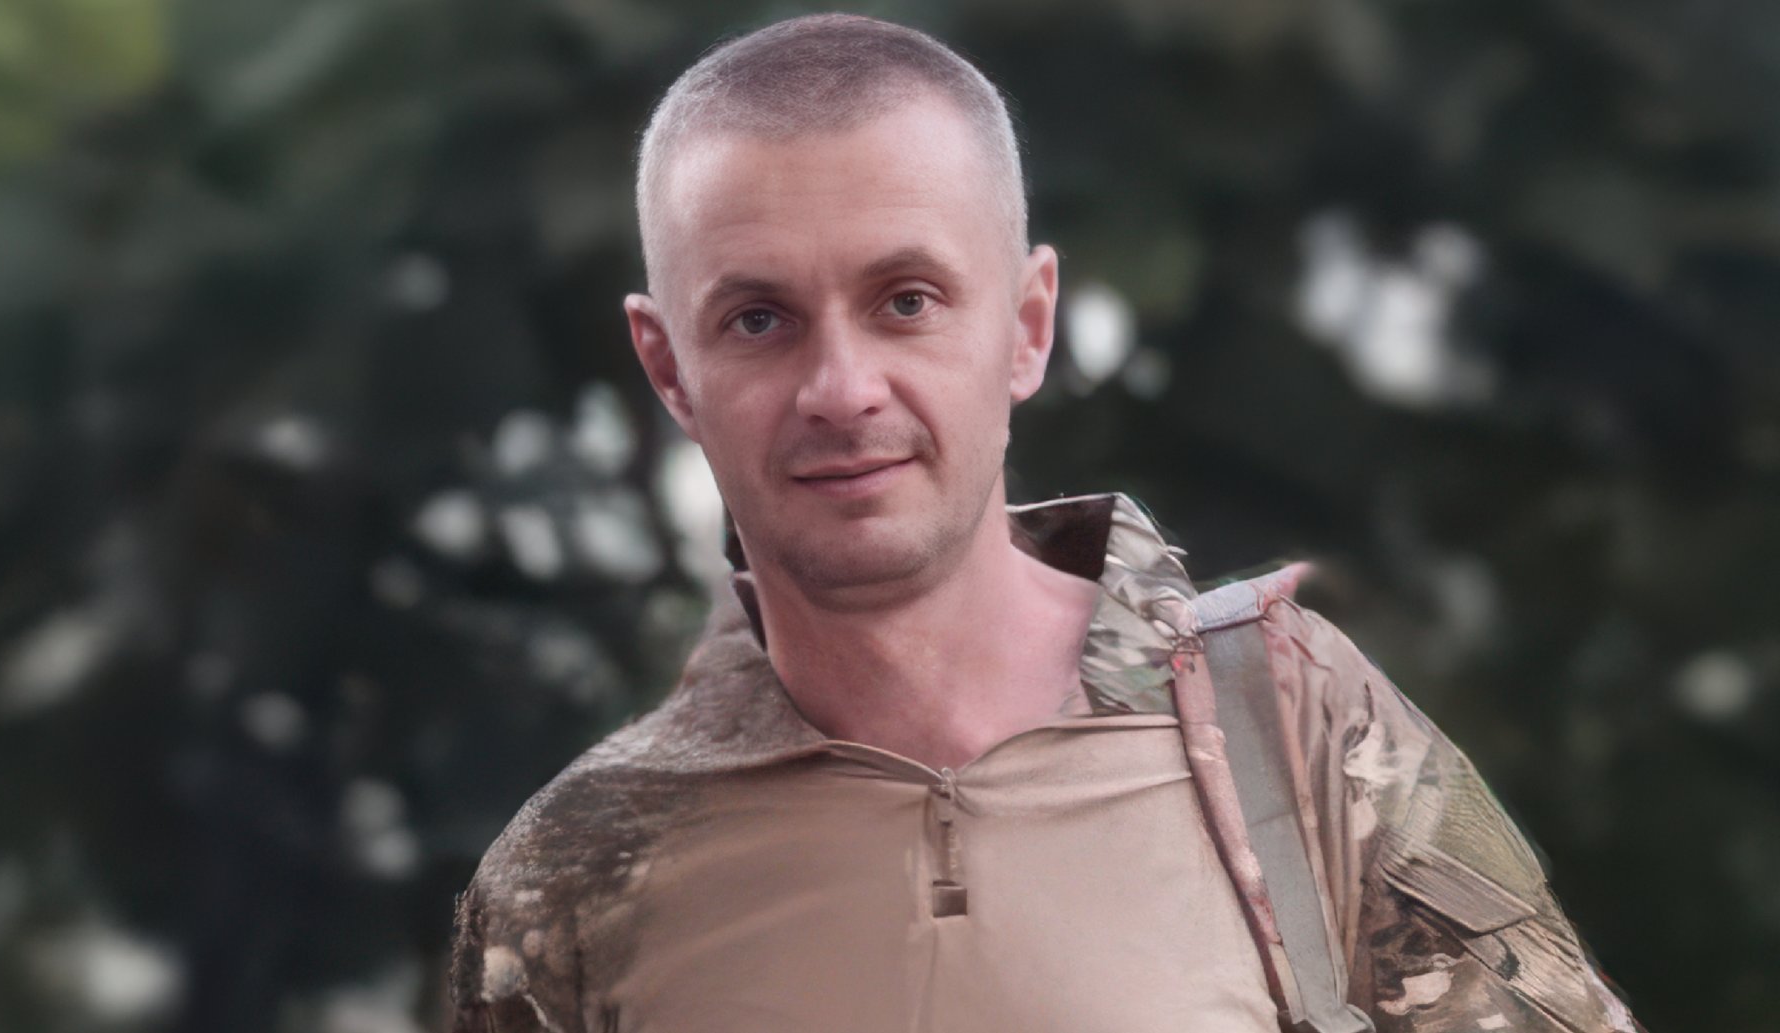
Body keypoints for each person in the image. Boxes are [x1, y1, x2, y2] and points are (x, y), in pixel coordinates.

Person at [447, 14, 1643, 1032]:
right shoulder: (572, 878)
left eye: (906, 301)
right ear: (668, 368)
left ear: (1026, 327)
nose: (841, 389)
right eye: (759, 320)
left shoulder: (1289, 729)